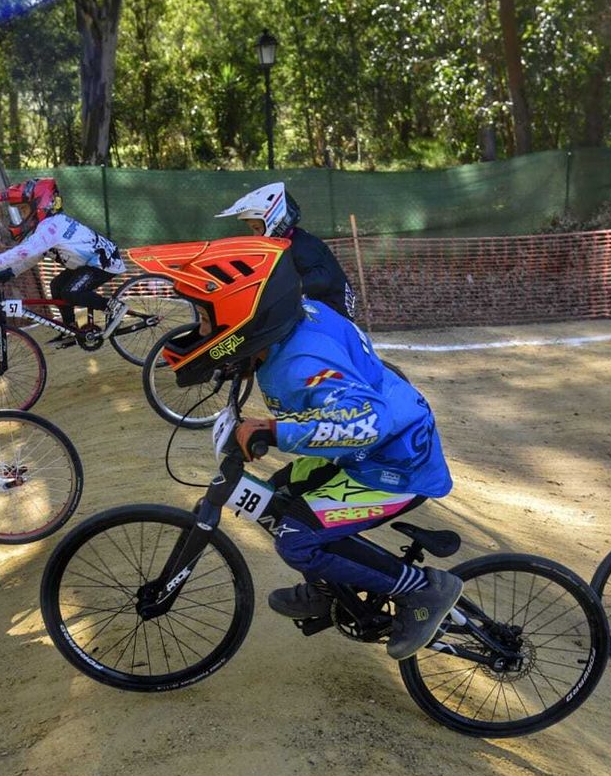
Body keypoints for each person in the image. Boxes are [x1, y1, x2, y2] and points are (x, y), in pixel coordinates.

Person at [132, 235, 461, 660]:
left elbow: (366, 422)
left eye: (206, 319)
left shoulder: (300, 364)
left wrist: (275, 430)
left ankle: (424, 590)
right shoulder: (298, 320)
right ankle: (331, 589)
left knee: (296, 539)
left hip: (394, 466)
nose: (200, 331)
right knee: (279, 500)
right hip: (374, 451)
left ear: (242, 315)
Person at [0, 177, 128, 339]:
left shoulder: (51, 226)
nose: (21, 217)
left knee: (71, 292)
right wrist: (11, 272)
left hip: (103, 262)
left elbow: (24, 251)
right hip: (88, 264)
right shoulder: (49, 226)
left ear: (40, 204)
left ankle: (114, 307)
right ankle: (70, 328)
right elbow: (35, 256)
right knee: (57, 286)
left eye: (23, 210)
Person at [216, 181, 357, 320]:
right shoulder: (292, 242)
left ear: (275, 221)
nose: (255, 235)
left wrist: (280, 289)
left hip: (334, 318)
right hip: (323, 313)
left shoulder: (303, 245)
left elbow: (321, 279)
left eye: (257, 228)